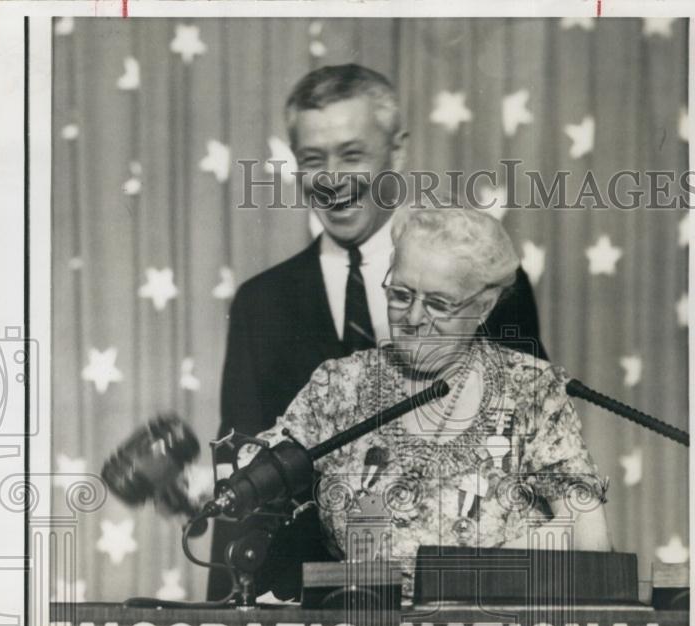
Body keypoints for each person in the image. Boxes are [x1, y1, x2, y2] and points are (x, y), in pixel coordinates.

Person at [210, 63, 545, 596]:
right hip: (302, 620)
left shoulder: (488, 284)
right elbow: (245, 483)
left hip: (462, 610)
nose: (333, 180)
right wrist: (231, 623)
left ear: (398, 151)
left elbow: (534, 451)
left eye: (352, 154)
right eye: (313, 160)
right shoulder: (261, 304)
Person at [238, 206, 610, 598]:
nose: (413, 317)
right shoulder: (339, 386)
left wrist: (456, 573)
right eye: (401, 295)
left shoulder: (530, 391)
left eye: (438, 303)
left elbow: (591, 540)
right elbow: (253, 471)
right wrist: (191, 482)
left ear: (483, 306)